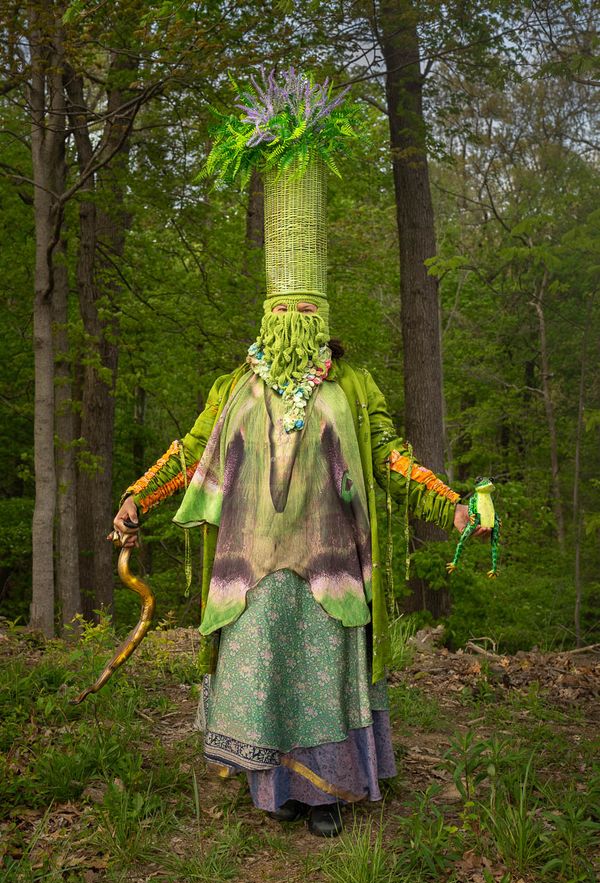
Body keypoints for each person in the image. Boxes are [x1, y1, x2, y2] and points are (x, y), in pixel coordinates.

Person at [112, 68, 487, 837]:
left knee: (320, 685)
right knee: (264, 677)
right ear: (265, 316)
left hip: (329, 569)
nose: (290, 323)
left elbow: (390, 456)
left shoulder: (351, 383)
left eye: (303, 313)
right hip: (250, 569)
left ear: (321, 319)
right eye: (279, 312)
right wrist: (135, 497)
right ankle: (274, 788)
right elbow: (192, 451)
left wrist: (452, 505)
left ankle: (326, 796)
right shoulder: (235, 386)